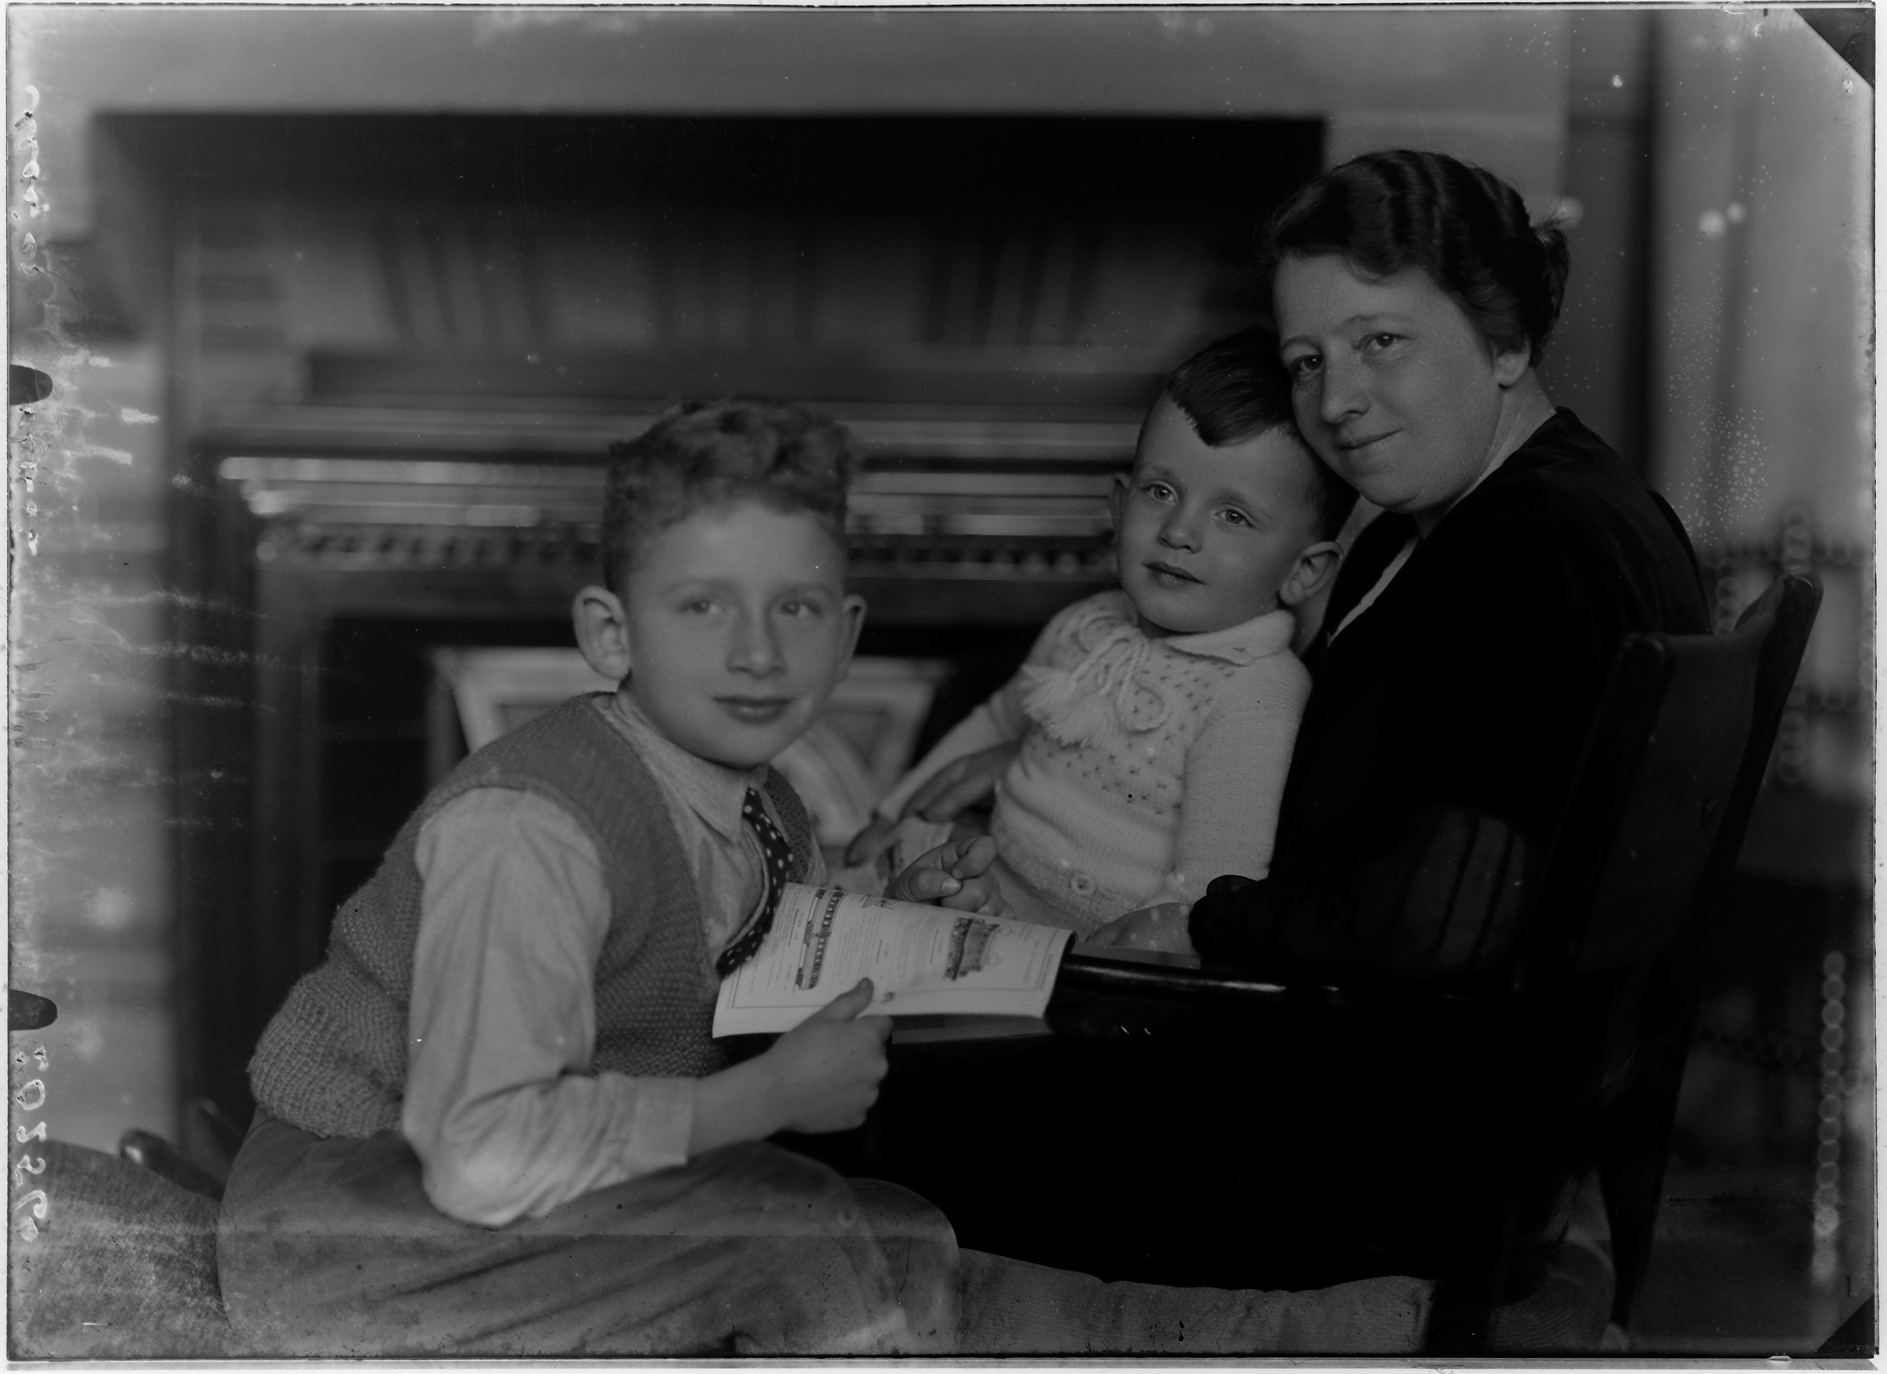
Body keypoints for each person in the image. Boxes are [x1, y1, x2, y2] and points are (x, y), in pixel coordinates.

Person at [896, 150, 1712, 1299]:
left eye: (1382, 342)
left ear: (1506, 340)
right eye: (1307, 360)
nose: (1336, 400)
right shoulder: (1521, 511)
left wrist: (1203, 926)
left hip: (1373, 1155)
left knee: (858, 1099)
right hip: (1412, 1095)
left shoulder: (1535, 559)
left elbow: (1444, 914)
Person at [215, 400, 1006, 1357]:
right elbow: (477, 1154)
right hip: (347, 1227)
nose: (757, 653)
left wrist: (891, 919)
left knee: (901, 1228)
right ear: (612, 634)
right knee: (790, 1225)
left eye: (793, 608)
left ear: (843, 639)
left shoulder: (763, 801)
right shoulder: (532, 830)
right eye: (702, 605)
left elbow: (746, 960)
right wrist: (764, 1099)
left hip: (530, 1200)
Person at [846, 329, 1355, 937]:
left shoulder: (1255, 695)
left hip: (1088, 950)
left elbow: (1211, 887)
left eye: (1233, 516)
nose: (1178, 531)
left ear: (1304, 571)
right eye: (1160, 491)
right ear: (1118, 504)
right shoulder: (1088, 623)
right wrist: (891, 813)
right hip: (991, 883)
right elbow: (999, 722)